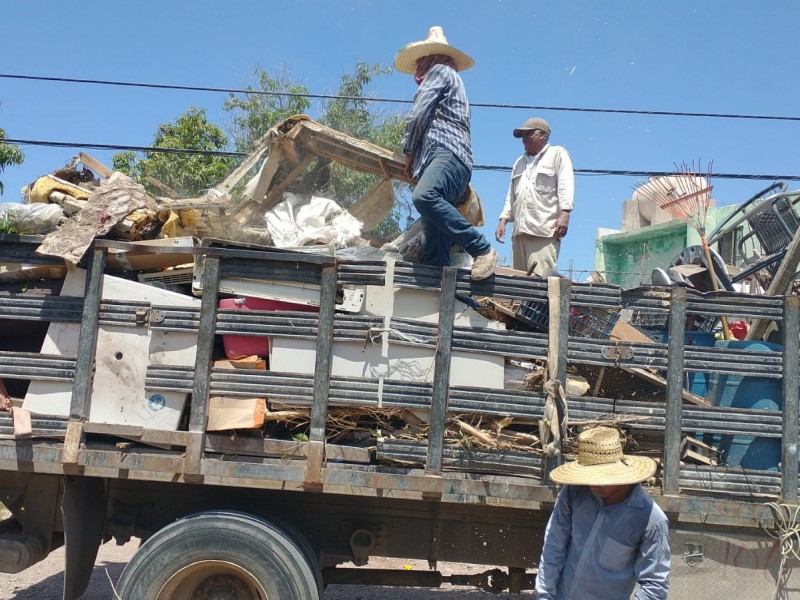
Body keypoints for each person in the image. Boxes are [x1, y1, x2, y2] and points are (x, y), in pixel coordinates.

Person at [395, 26, 497, 280]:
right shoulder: (452, 80)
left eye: (421, 64)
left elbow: (418, 114)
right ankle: (438, 282)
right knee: (434, 228)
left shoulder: (440, 71)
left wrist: (409, 152)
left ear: (430, 60)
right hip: (451, 162)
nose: (419, 71)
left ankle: (481, 249)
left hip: (447, 155)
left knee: (425, 196)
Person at [535, 427, 670, 600]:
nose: (591, 483)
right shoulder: (574, 492)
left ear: (619, 472)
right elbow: (554, 546)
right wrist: (544, 596)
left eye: (598, 476)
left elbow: (655, 586)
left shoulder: (651, 520)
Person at [495, 118, 574, 276]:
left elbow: (566, 184)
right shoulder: (519, 162)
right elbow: (511, 195)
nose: (524, 139)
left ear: (543, 135)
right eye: (522, 135)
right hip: (520, 233)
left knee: (540, 284)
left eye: (529, 134)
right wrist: (503, 220)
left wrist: (565, 213)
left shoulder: (557, 154)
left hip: (543, 231)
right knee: (518, 285)